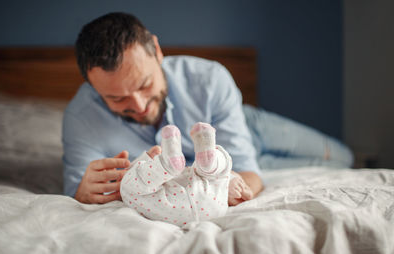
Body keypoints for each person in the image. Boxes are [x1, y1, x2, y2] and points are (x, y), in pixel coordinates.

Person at [63, 12, 353, 205]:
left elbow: (246, 173)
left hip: (247, 127)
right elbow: (77, 193)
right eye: (116, 98)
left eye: (144, 84)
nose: (137, 106)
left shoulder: (209, 78)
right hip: (227, 163)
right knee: (338, 170)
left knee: (345, 157)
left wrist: (238, 175)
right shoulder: (80, 117)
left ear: (157, 50)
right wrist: (83, 192)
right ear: (92, 85)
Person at [121, 122, 233, 226]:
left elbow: (133, 174)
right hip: (213, 206)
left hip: (167, 208)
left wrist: (147, 161)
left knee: (128, 186)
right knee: (222, 171)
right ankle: (210, 163)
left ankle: (166, 165)